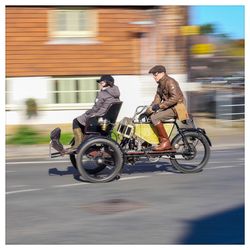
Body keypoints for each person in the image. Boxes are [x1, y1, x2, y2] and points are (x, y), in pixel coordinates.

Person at [50, 75, 120, 154]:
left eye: (101, 82)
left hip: (98, 118)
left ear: (105, 83)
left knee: (76, 121)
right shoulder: (115, 94)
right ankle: (82, 142)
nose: (99, 84)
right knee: (82, 120)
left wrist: (88, 112)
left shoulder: (103, 94)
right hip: (106, 120)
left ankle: (77, 145)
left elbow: (95, 108)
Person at [145, 65, 189, 151]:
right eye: (153, 75)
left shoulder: (170, 82)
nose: (154, 77)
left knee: (155, 117)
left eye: (155, 74)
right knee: (151, 116)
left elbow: (175, 98)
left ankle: (165, 142)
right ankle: (155, 140)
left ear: (162, 73)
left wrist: (160, 106)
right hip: (172, 107)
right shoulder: (160, 85)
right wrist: (147, 111)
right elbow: (156, 100)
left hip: (178, 108)